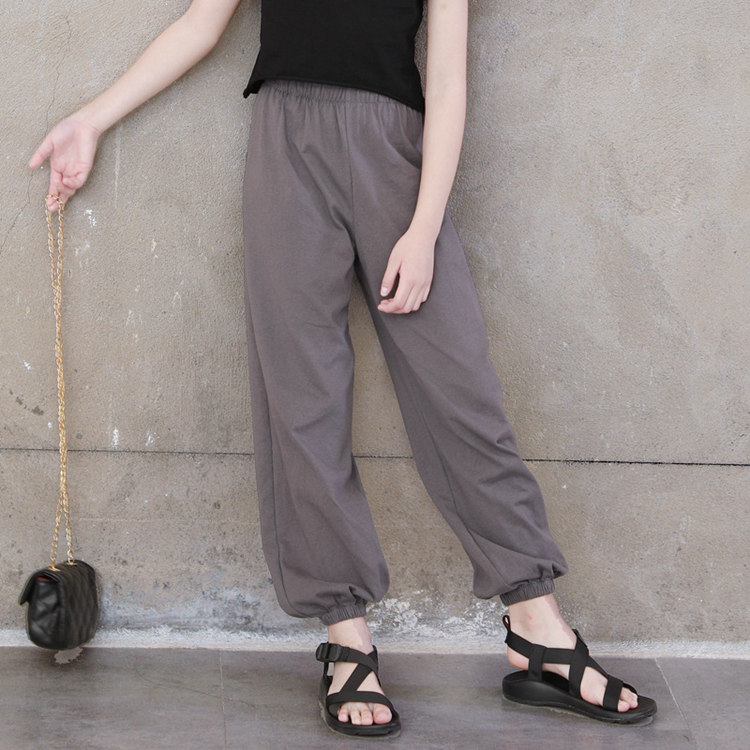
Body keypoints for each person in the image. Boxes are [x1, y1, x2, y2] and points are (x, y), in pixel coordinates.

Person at [30, 0, 657, 738]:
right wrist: (92, 119)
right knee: (303, 398)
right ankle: (346, 636)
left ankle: (538, 627)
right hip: (285, 147)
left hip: (394, 156)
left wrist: (423, 229)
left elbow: (448, 82)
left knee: (462, 394)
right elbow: (200, 25)